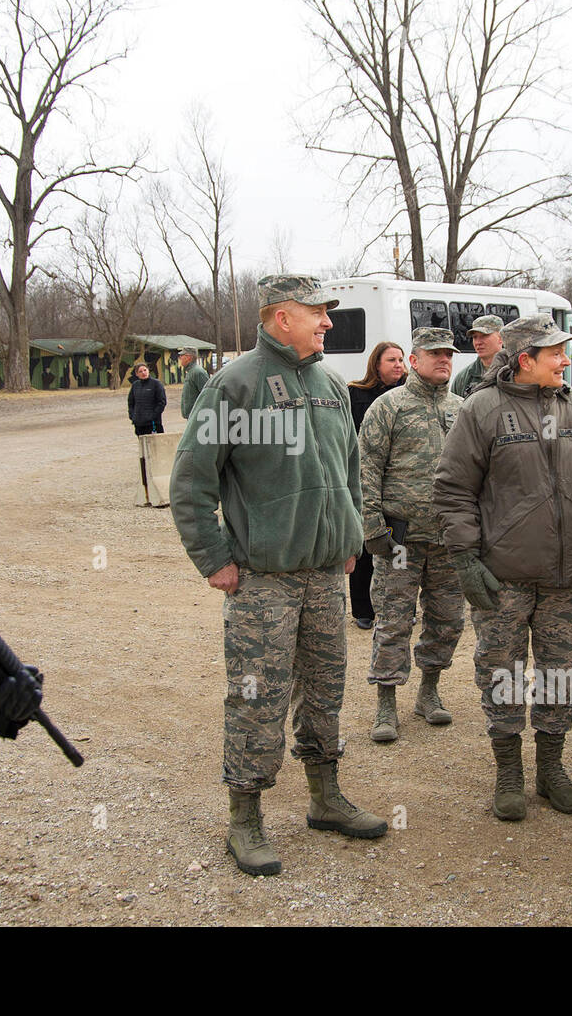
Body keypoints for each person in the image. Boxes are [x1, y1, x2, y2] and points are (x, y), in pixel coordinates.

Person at [170, 273, 386, 877]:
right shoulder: (233, 385)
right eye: (317, 313)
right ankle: (246, 818)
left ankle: (325, 798)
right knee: (257, 696)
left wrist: (350, 538)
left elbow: (349, 470)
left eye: (327, 314)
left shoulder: (330, 384)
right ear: (280, 316)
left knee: (325, 689)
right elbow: (191, 481)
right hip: (263, 577)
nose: (327, 323)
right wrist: (214, 559)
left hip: (324, 574)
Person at [435, 314, 572, 822]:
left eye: (565, 350)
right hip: (504, 576)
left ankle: (551, 767)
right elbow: (453, 490)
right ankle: (509, 769)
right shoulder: (482, 410)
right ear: (524, 360)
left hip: (566, 577)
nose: (565, 359)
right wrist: (467, 558)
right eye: (555, 352)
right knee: (502, 672)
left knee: (560, 673)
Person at [359, 327, 465, 742]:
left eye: (449, 355)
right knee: (394, 620)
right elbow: (366, 468)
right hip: (400, 542)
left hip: (448, 542)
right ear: (415, 361)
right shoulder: (389, 407)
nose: (444, 361)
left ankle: (429, 693)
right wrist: (372, 528)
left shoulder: (462, 409)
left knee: (447, 621)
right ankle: (386, 703)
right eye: (435, 354)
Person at [346, 341, 407, 629]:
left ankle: (397, 606)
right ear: (376, 365)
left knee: (397, 545)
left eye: (401, 360)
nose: (398, 365)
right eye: (391, 360)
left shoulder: (408, 395)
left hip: (398, 483)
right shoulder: (355, 394)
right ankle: (363, 610)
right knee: (365, 544)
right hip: (365, 480)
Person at [450, 315, 505, 398]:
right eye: (475, 337)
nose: (478, 342)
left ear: (500, 338)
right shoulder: (463, 378)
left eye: (484, 336)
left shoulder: (517, 371)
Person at [127, 361, 166, 435]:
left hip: (153, 423)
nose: (143, 373)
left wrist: (153, 416)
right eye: (140, 371)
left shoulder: (156, 384)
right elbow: (131, 402)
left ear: (148, 370)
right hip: (139, 423)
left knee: (155, 445)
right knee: (142, 445)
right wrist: (132, 416)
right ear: (137, 374)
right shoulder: (135, 385)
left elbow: (162, 402)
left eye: (145, 370)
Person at [178, 347, 210, 419]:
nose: (180, 358)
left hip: (198, 417)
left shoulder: (198, 372)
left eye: (182, 355)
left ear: (188, 357)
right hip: (192, 416)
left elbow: (207, 394)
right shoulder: (190, 371)